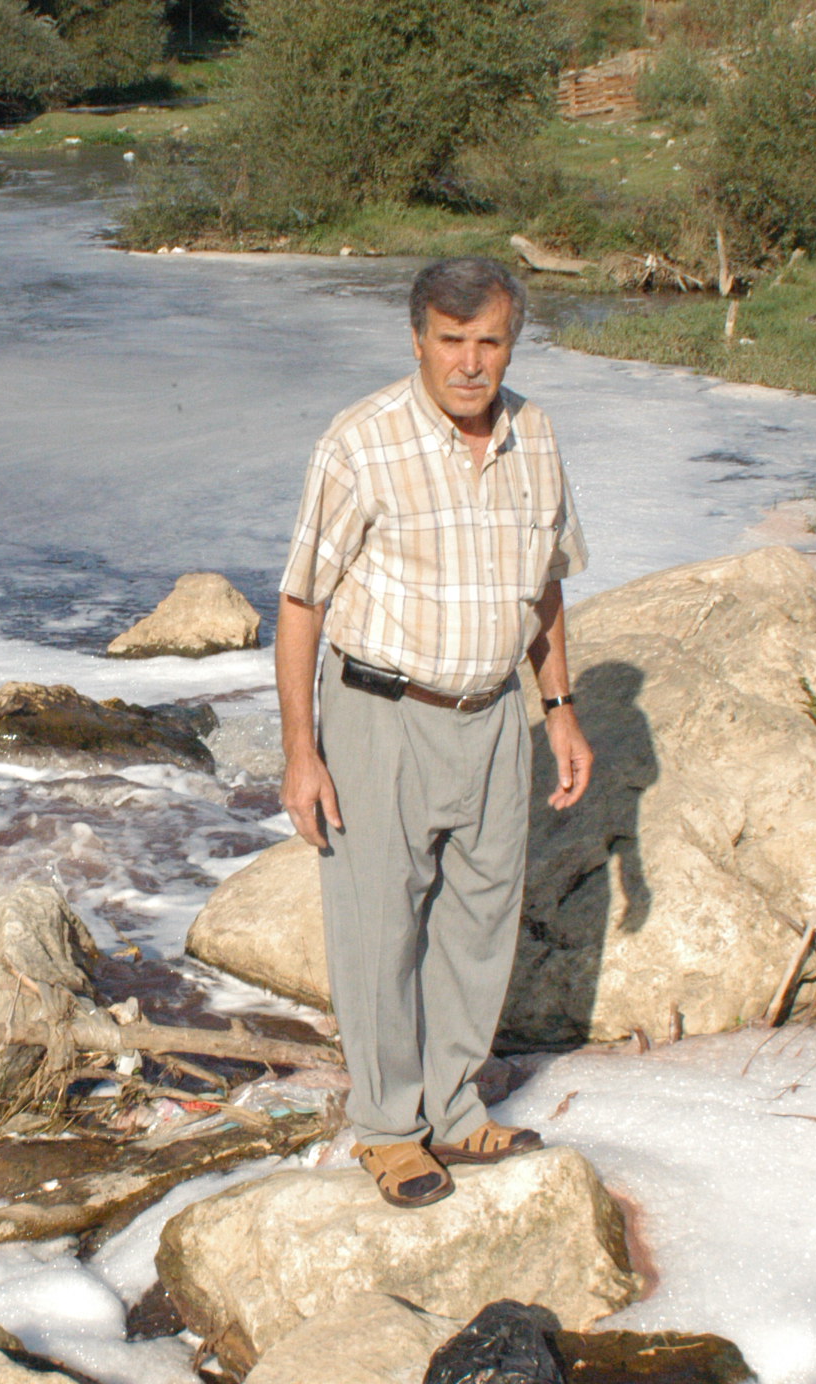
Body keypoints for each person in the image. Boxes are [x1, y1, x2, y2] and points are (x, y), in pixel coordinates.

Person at [275, 256, 593, 1209]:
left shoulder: (534, 435)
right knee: (379, 927)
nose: (469, 362)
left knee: (481, 917)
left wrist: (560, 707)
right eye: (450, 341)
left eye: (487, 341)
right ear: (417, 340)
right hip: (382, 713)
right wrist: (302, 752)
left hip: (494, 711)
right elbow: (300, 604)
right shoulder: (359, 443)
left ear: (511, 342)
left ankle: (456, 1109)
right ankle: (388, 1128)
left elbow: (546, 585)